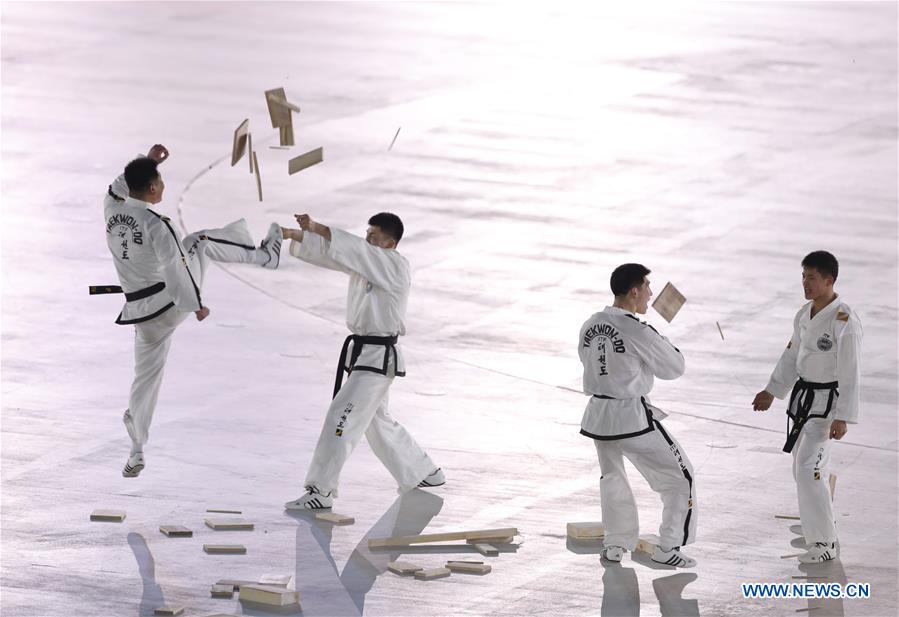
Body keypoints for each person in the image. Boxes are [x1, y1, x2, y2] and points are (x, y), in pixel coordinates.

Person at [102, 144, 282, 477]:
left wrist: (149, 161)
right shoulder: (159, 224)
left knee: (146, 378)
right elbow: (175, 270)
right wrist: (195, 304)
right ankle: (265, 256)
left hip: (141, 315)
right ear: (154, 187)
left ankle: (137, 448)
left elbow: (117, 187)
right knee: (199, 242)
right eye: (160, 180)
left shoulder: (111, 210)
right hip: (170, 305)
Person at [281, 212, 443, 510]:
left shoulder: (394, 265)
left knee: (340, 417)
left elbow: (353, 249)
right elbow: (336, 255)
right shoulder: (368, 264)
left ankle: (322, 490)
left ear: (390, 242)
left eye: (374, 235)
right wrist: (295, 235)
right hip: (365, 356)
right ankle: (422, 471)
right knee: (376, 422)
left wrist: (317, 227)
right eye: (367, 234)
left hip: (377, 358)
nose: (368, 239)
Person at [578, 263, 697, 567]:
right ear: (634, 290)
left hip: (598, 417)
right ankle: (669, 547)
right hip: (630, 417)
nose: (651, 293)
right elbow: (674, 367)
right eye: (647, 286)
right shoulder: (637, 329)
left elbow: (587, 359)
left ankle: (616, 543)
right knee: (679, 478)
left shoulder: (591, 323)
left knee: (613, 478)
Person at [752, 251, 862, 563]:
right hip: (804, 400)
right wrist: (772, 390)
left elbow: (851, 372)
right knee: (803, 469)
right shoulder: (804, 313)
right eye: (803, 277)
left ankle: (824, 544)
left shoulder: (845, 321)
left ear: (830, 280)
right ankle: (822, 518)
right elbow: (791, 355)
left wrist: (843, 417)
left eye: (812, 278)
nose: (805, 283)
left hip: (828, 405)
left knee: (808, 468)